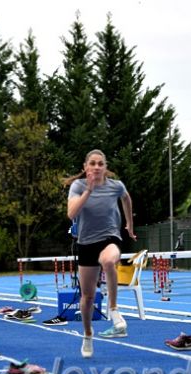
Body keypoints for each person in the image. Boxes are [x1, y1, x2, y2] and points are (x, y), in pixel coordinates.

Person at [65, 149, 135, 358]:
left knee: (108, 261)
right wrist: (88, 190)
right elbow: (71, 213)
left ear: (105, 168)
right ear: (86, 167)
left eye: (100, 164)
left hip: (110, 237)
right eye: (93, 163)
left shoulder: (116, 186)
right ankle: (87, 334)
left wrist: (129, 224)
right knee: (87, 297)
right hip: (86, 242)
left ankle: (114, 310)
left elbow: (127, 199)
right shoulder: (78, 186)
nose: (96, 167)